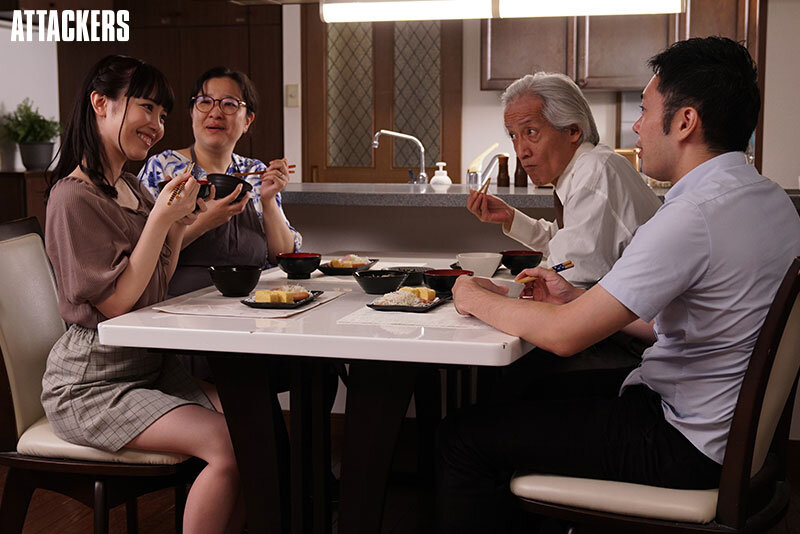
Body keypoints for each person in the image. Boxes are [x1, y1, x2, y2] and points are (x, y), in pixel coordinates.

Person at [437, 37, 800, 533]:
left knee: (462, 437)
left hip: (681, 440)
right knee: (525, 395)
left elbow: (564, 335)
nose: (636, 126)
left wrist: (469, 294)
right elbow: (686, 321)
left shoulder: (692, 215)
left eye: (645, 110)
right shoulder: (768, 198)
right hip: (721, 428)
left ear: (685, 122)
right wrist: (577, 296)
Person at [41, 55, 244, 533]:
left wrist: (177, 223)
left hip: (145, 367)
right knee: (230, 444)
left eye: (163, 114)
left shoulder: (131, 187)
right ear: (101, 103)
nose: (156, 125)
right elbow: (116, 305)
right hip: (91, 384)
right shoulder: (72, 196)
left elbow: (157, 280)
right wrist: (161, 218)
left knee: (254, 423)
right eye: (147, 108)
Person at [468, 72, 662, 289]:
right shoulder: (587, 167)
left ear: (573, 131)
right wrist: (511, 217)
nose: (521, 151)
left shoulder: (593, 174)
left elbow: (568, 273)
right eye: (514, 135)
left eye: (531, 132)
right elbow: (567, 244)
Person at [138, 66, 301, 297]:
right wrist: (204, 222)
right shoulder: (163, 167)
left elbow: (281, 256)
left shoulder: (255, 172)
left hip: (252, 302)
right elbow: (143, 252)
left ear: (247, 120)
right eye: (205, 102)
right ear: (192, 113)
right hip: (180, 305)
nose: (215, 113)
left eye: (229, 104)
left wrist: (268, 200)